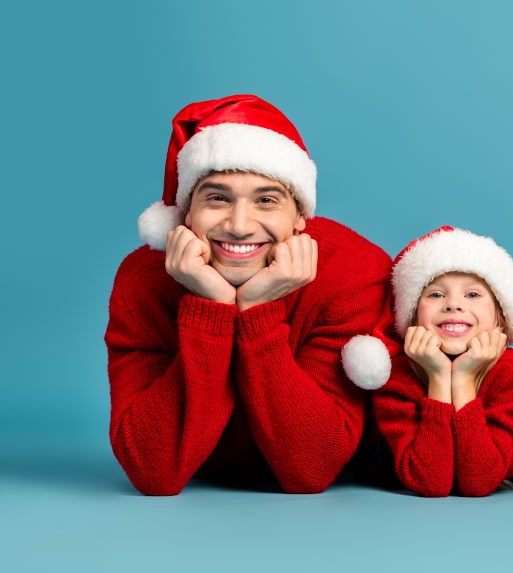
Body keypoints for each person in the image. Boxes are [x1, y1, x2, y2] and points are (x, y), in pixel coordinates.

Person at [105, 94, 395, 495]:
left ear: (300, 218)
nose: (240, 226)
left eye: (266, 200)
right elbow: (153, 470)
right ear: (187, 214)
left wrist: (256, 311)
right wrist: (212, 308)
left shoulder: (352, 274)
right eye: (217, 198)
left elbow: (311, 469)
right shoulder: (144, 281)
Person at [369, 226, 513, 497]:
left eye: (472, 295)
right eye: (436, 294)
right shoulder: (396, 374)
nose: (453, 305)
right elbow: (430, 482)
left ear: (500, 318)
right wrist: (438, 378)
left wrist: (462, 378)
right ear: (412, 317)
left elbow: (479, 481)